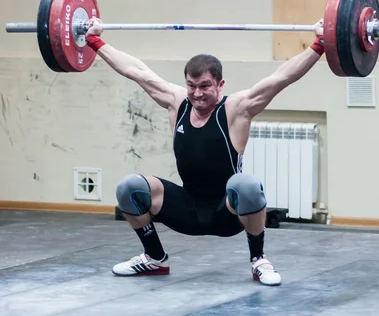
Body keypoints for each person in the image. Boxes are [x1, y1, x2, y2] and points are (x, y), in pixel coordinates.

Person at [85, 19, 325, 286]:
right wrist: (95, 41)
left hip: (228, 212)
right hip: (187, 209)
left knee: (245, 184)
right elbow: (136, 71)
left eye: (205, 86)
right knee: (129, 188)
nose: (197, 94)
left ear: (220, 85)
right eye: (191, 85)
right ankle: (153, 257)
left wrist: (319, 44)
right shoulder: (177, 102)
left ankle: (259, 260)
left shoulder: (236, 109)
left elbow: (281, 77)